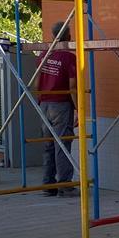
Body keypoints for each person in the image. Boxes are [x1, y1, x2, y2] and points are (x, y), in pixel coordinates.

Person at [37, 22, 77, 196]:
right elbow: (73, 86)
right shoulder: (68, 58)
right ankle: (64, 185)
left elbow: (37, 82)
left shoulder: (44, 55)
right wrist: (78, 108)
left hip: (44, 104)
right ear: (68, 36)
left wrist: (40, 100)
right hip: (60, 104)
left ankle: (48, 185)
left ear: (53, 36)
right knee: (62, 145)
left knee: (48, 146)